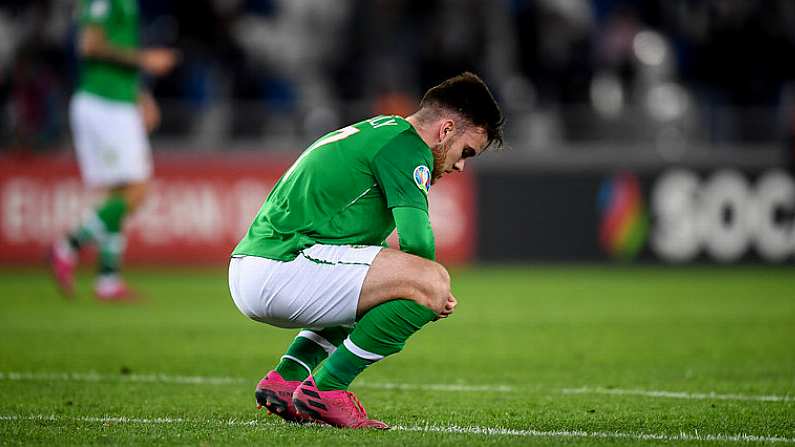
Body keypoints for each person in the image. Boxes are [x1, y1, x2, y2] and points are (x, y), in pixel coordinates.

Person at [228, 72, 504, 429]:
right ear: (446, 129)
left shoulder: (382, 130)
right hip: (282, 266)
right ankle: (327, 388)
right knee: (430, 282)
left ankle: (287, 378)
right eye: (466, 152)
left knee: (383, 285)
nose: (461, 165)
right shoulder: (406, 147)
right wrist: (434, 291)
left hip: (257, 266)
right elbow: (417, 243)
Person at [49, 0, 177, 300]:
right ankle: (68, 245)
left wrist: (140, 94)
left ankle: (107, 280)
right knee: (137, 190)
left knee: (118, 192)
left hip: (113, 99)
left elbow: (117, 45)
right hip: (105, 102)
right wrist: (146, 60)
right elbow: (90, 45)